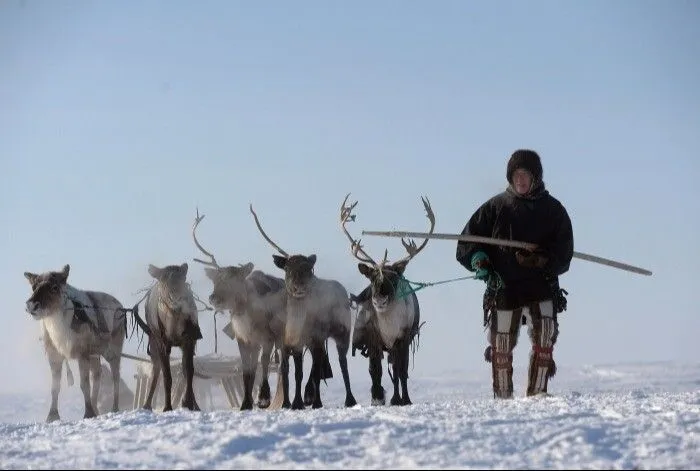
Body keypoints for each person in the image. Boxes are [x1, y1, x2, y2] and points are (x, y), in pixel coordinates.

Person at [456, 149, 574, 398]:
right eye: (516, 175)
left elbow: (564, 253)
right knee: (501, 343)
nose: (520, 180)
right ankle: (502, 398)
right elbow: (467, 243)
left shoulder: (554, 211)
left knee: (545, 333)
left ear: (536, 178)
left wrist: (543, 259)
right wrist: (479, 261)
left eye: (525, 174)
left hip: (541, 284)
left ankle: (538, 395)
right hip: (504, 285)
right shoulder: (496, 207)